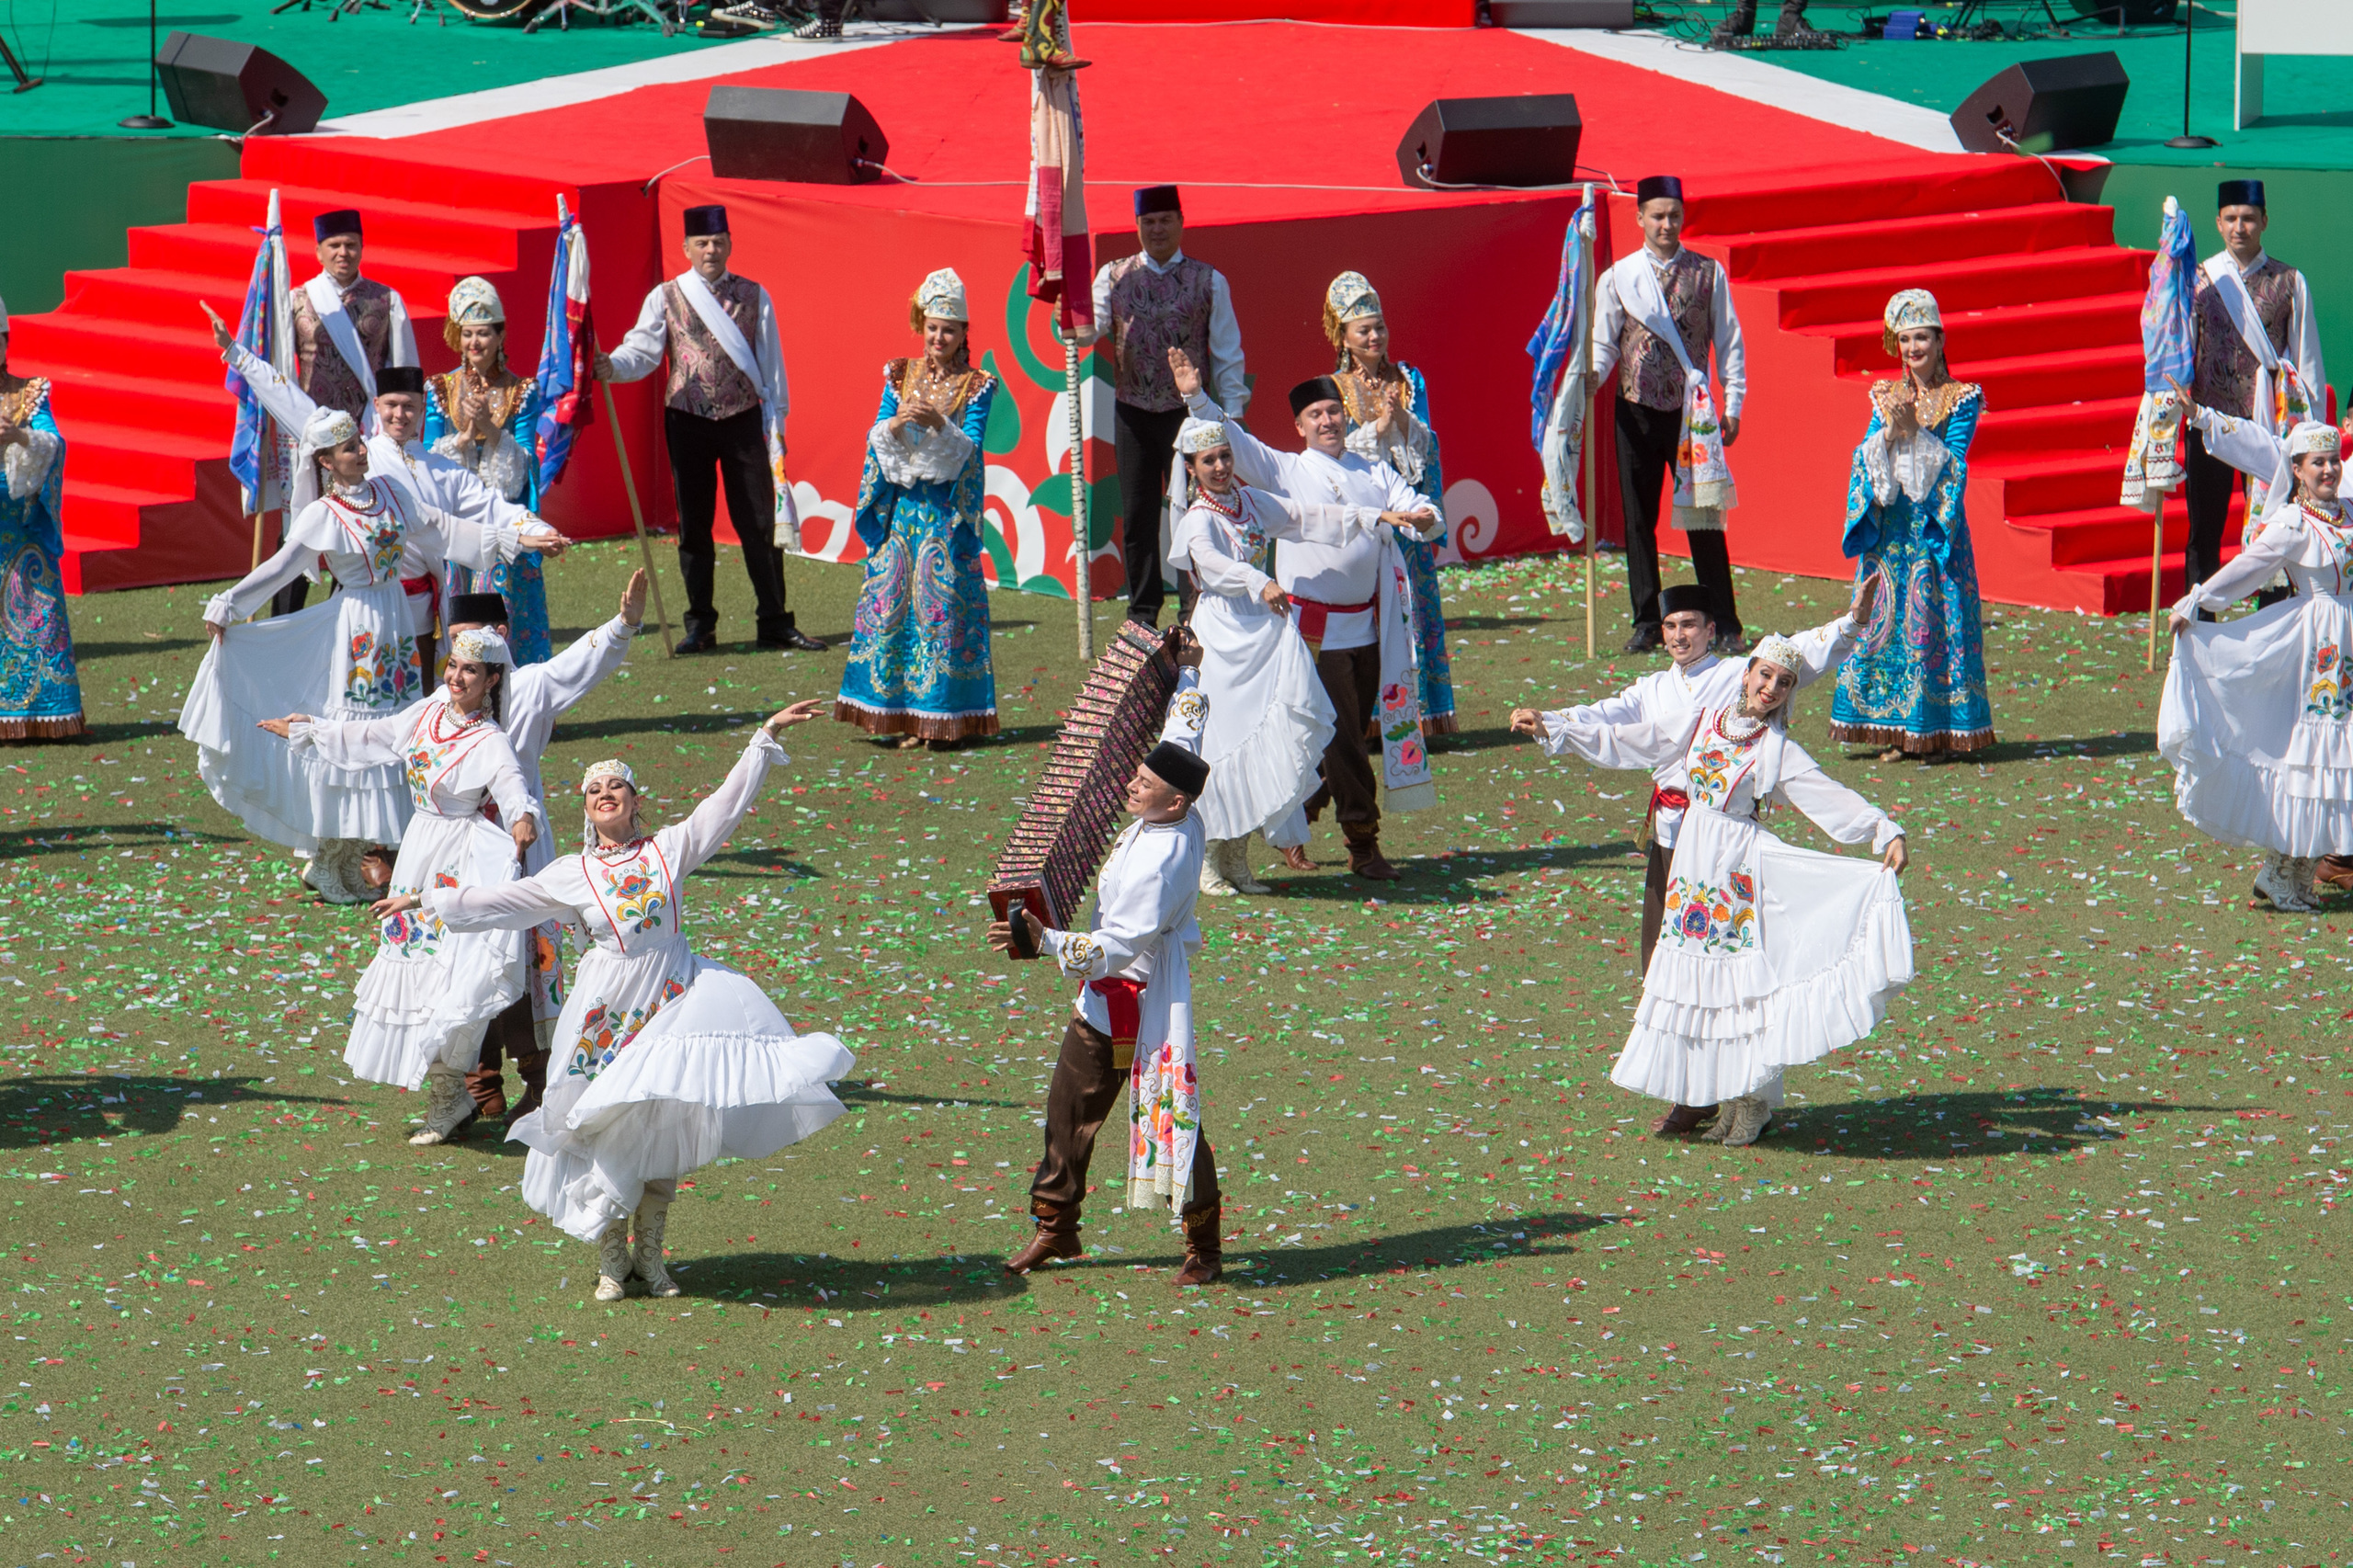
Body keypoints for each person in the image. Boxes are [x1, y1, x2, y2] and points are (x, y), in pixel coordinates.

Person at [382, 703, 855, 1301]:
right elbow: (504, 899)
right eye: (594, 790)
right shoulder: (572, 872)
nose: (605, 794)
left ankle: (650, 1260)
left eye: (616, 787)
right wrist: (426, 899)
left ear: (634, 801)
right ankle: (612, 1260)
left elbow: (725, 806)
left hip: (671, 1003)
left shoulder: (669, 849)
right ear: (587, 809)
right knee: (598, 1128)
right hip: (605, 1013)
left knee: (663, 1125)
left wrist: (765, 737)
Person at [1514, 635, 1911, 1147]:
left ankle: (1754, 1101)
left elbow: (1825, 795)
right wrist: (1558, 726)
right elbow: (1630, 740)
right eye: (1765, 675)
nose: (1771, 688)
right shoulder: (1700, 721)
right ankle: (1728, 1097)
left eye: (1784, 682)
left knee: (1736, 988)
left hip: (1736, 869)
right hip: (1693, 865)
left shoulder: (1776, 748)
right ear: (1747, 674)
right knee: (1703, 989)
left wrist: (1883, 828)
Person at [175, 402, 562, 902]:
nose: (361, 452)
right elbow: (283, 566)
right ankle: (330, 860)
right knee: (356, 733)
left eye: (359, 443)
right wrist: (229, 603)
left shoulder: (389, 492)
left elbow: (443, 528)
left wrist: (518, 538)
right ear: (325, 462)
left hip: (395, 621)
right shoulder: (324, 515)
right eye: (348, 449)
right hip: (357, 628)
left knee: (394, 734)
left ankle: (361, 858)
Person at [258, 628, 537, 1146]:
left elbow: (512, 785)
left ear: (492, 680)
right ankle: (451, 1096)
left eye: (470, 671)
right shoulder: (429, 712)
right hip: (419, 850)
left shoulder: (490, 740)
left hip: (461, 859)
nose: (456, 677)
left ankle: (451, 1095)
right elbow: (377, 735)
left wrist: (523, 816)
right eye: (453, 666)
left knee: (453, 979)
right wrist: (311, 728)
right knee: (417, 975)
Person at [1171, 349, 1440, 881]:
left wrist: (1419, 515)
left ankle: (1297, 820)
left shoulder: (1372, 469)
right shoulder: (1284, 469)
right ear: (1299, 426)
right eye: (1315, 414)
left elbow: (1389, 508)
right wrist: (1196, 397)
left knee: (1342, 730)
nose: (1327, 421)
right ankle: (1362, 842)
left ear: (1347, 415)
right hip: (1309, 627)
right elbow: (1231, 443)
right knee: (1339, 737)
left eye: (1334, 411)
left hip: (1371, 621)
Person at [989, 737, 1226, 1286]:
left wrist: (1046, 941)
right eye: (1136, 775)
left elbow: (1119, 944)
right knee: (1066, 1111)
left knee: (1173, 1121)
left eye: (1144, 783)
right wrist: (1185, 689)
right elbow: (1183, 737)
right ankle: (1056, 1227)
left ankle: (1205, 1247)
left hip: (1142, 1001)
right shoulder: (1176, 813)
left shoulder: (1161, 863)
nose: (1130, 786)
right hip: (1103, 997)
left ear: (1176, 802)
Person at [447, 574, 648, 1128]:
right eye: (455, 642)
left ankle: (537, 1082)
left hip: (521, 847)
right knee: (466, 955)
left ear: (502, 634)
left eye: (474, 637)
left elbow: (582, 663)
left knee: (525, 957)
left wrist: (624, 623)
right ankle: (478, 1083)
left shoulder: (530, 686)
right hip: (463, 849)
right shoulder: (445, 700)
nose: (464, 654)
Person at [597, 203, 824, 654]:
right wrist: (613, 366)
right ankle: (700, 626)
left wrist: (776, 420)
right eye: (702, 243)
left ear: (730, 245)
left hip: (743, 419)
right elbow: (642, 350)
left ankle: (774, 621)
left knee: (759, 524)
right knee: (695, 527)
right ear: (686, 248)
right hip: (687, 420)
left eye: (718, 242)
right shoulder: (666, 296)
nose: (710, 250)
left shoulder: (753, 295)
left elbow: (771, 363)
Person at [2160, 419, 2353, 914]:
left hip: (2347, 643)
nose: (2329, 470)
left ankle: (2300, 874)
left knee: (2339, 760)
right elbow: (2249, 568)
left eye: (2333, 461)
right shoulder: (2294, 523)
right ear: (2297, 470)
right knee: (2314, 755)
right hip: (2318, 649)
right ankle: (2279, 871)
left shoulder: (2349, 511)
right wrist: (2198, 600)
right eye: (2318, 463)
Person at [835, 268, 1001, 749]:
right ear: (922, 327)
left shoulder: (978, 385)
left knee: (942, 612)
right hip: (902, 515)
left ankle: (944, 719)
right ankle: (899, 717)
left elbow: (971, 448)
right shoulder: (898, 374)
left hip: (945, 518)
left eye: (949, 330)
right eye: (932, 328)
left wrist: (939, 426)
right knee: (891, 610)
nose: (938, 338)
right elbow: (878, 433)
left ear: (964, 333)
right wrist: (896, 425)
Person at [1828, 290, 1995, 762]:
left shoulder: (1962, 398)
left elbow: (1954, 465)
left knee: (1933, 625)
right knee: (1888, 626)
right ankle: (1894, 728)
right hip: (1891, 533)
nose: (1913, 348)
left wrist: (1915, 433)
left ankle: (1938, 732)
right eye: (1905, 339)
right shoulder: (1886, 396)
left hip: (1935, 534)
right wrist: (1889, 432)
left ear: (1940, 341)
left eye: (1921, 337)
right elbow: (1863, 458)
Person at [1591, 175, 1746, 654]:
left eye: (1673, 215)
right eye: (1657, 215)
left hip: (1691, 417)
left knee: (1703, 520)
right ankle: (1646, 621)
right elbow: (1603, 343)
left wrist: (1734, 402)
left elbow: (1730, 341)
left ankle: (1724, 621)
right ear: (1640, 217)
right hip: (1635, 409)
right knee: (1638, 520)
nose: (1666, 224)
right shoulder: (1619, 276)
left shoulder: (1708, 273)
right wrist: (1591, 377)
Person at [1085, 186, 1247, 626]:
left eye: (1164, 220)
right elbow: (1088, 329)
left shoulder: (1208, 280)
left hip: (1188, 416)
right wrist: (1069, 311)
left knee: (1192, 509)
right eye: (1148, 222)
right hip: (1133, 411)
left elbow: (1227, 352)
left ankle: (1194, 606)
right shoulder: (1114, 276)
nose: (1156, 229)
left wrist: (1231, 415)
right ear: (1137, 226)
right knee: (1138, 514)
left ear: (1180, 222)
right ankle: (1142, 612)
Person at [1324, 270, 1456, 735]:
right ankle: (1372, 720)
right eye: (1364, 330)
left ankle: (1419, 715)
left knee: (1413, 609)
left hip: (1407, 518)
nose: (1375, 337)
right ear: (1343, 335)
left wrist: (1401, 422)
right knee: (1371, 617)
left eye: (1379, 326)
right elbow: (1331, 454)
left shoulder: (1409, 379)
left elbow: (1427, 446)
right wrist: (1376, 430)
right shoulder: (1333, 389)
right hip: (1367, 519)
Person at [2183, 179, 2325, 611]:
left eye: (2248, 218)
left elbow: (2307, 359)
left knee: (2275, 530)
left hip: (2269, 429)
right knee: (2203, 532)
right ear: (2218, 223)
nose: (2239, 227)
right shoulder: (2200, 279)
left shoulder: (2289, 281)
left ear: (2264, 221)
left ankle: (2273, 620)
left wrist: (2313, 435)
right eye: (2230, 218)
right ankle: (2198, 624)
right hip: (2209, 422)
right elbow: (2183, 347)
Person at [277, 210, 419, 618]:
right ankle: (283, 623)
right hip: (311, 436)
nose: (343, 252)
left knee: (360, 524)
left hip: (364, 434)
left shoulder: (385, 300)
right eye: (334, 245)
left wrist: (402, 430)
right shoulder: (298, 300)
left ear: (362, 247)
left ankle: (347, 616)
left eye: (351, 244)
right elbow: (284, 370)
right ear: (319, 251)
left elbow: (402, 369)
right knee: (301, 527)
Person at [425, 277, 552, 665]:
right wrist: (465, 436)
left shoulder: (522, 391)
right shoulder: (440, 389)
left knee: (503, 617)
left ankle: (509, 689)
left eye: (483, 333)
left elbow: (525, 464)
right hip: (456, 521)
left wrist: (491, 430)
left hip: (501, 518)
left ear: (500, 336)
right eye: (467, 334)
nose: (474, 343)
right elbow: (429, 459)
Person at [0, 298, 87, 741]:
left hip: (21, 531)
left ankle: (43, 713)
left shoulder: (29, 393)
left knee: (37, 615)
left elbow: (54, 444)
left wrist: (19, 436)